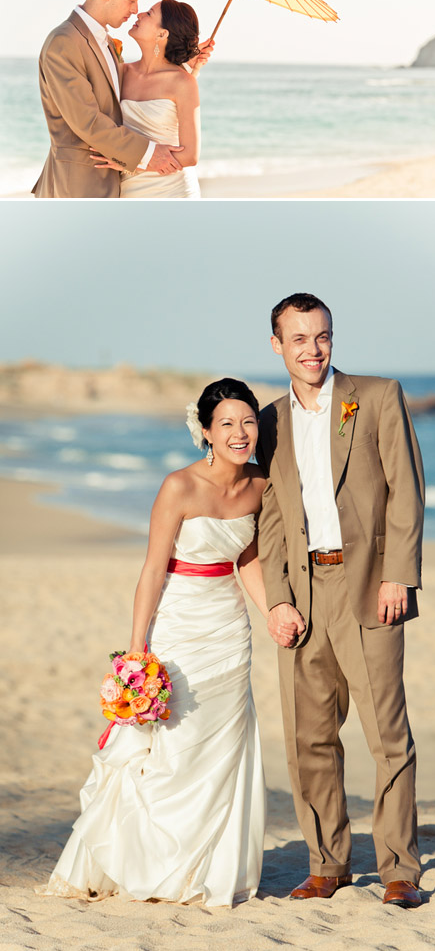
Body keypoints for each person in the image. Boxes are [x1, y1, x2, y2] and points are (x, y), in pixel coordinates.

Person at [41, 379, 290, 905]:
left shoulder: (260, 486)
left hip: (229, 625)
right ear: (205, 432)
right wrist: (136, 652)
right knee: (173, 745)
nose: (240, 433)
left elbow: (245, 558)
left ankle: (210, 869)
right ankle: (151, 860)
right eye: (227, 424)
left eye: (248, 422)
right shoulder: (178, 486)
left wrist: (273, 613)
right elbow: (153, 569)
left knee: (224, 741)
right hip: (177, 621)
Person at [256, 293, 425, 909]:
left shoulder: (377, 396)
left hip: (369, 588)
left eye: (322, 335)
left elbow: (406, 488)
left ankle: (399, 870)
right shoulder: (269, 420)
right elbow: (271, 519)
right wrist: (276, 599)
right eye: (299, 339)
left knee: (388, 737)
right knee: (310, 739)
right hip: (303, 596)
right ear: (277, 346)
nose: (313, 348)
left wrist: (398, 576)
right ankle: (327, 865)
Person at [33, 0, 212, 198]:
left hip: (152, 189)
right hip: (77, 184)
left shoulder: (108, 45)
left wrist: (188, 69)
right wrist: (144, 157)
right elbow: (87, 121)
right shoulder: (65, 41)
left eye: (146, 10)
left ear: (163, 34)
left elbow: (156, 99)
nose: (137, 10)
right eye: (134, 0)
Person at [92, 0, 202, 199]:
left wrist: (131, 161)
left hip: (173, 192)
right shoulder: (121, 71)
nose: (139, 14)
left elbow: (190, 155)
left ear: (162, 34)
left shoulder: (183, 82)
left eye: (150, 13)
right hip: (129, 192)